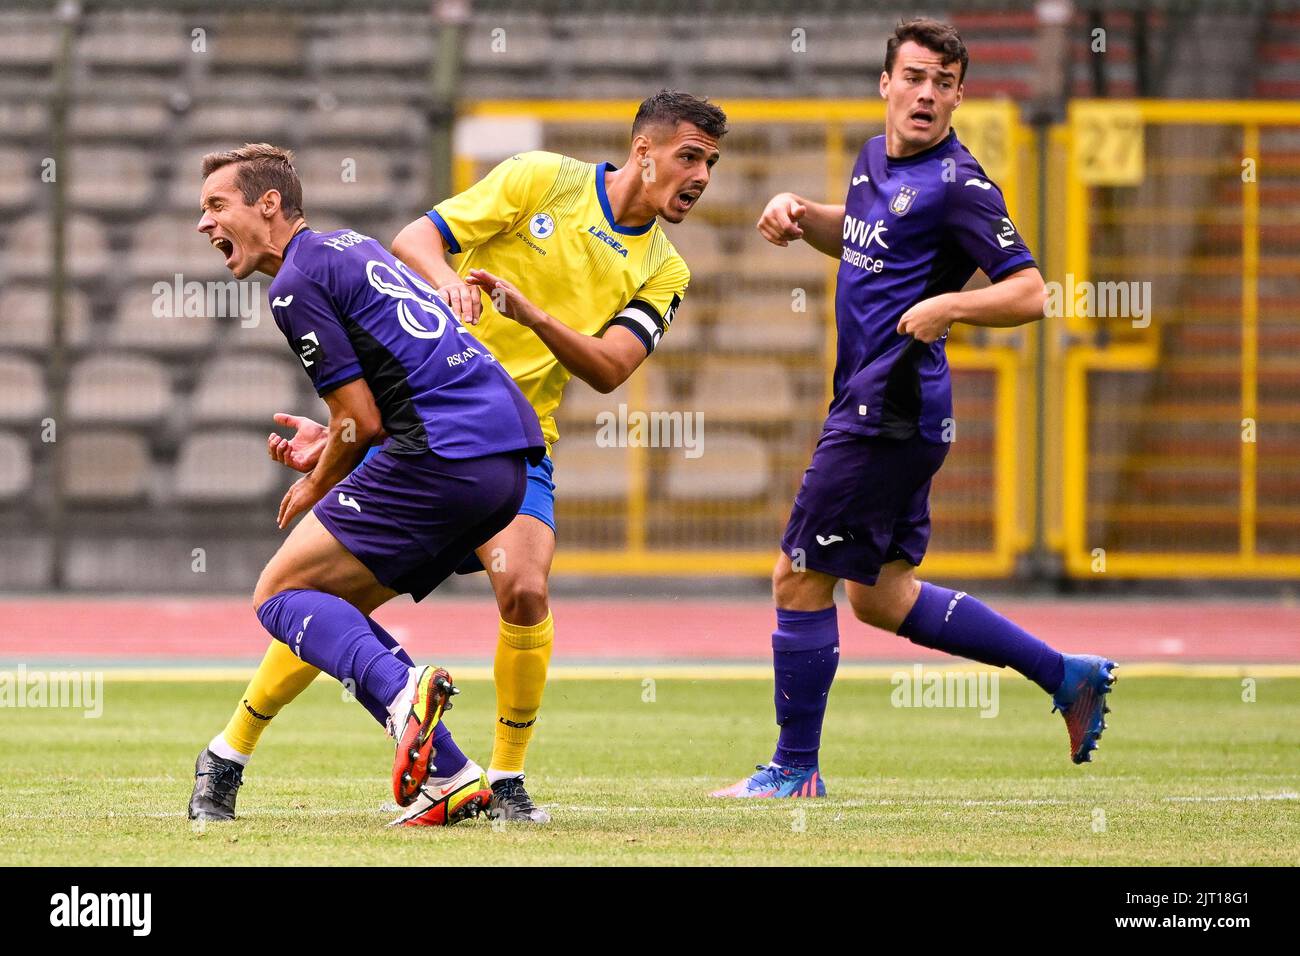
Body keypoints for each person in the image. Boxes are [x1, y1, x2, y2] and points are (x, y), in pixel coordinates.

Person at [196, 91, 728, 823]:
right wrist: (445, 281)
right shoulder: (545, 179)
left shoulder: (664, 269)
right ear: (645, 151)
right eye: (690, 157)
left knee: (521, 592)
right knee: (332, 598)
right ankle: (237, 752)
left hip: (501, 435)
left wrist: (531, 314)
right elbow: (418, 238)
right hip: (440, 422)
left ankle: (502, 779)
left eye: (711, 163)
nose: (701, 176)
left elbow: (609, 368)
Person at [712, 19, 1116, 800]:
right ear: (886, 84)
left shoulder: (960, 185)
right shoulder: (873, 161)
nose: (927, 93)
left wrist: (951, 308)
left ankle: (794, 771)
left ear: (960, 95)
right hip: (888, 411)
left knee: (798, 576)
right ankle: (1065, 675)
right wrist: (802, 213)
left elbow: (1031, 291)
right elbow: (865, 239)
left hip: (886, 411)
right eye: (915, 76)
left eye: (943, 81)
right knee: (879, 597)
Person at [186, 143, 544, 826]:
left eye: (215, 206)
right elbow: (381, 401)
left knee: (280, 593)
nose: (204, 224)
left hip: (443, 452)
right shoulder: (352, 245)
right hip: (503, 462)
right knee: (332, 609)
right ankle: (451, 775)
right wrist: (336, 440)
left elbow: (361, 416)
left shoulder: (291, 285)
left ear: (269, 205)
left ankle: (406, 694)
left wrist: (318, 480)